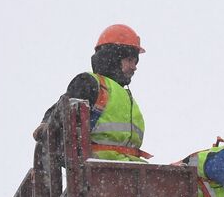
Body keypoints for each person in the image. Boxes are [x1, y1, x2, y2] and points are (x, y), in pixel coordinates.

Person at [42, 24, 149, 161]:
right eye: (129, 60)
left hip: (130, 168)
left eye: (136, 62)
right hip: (99, 167)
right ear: (113, 58)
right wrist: (46, 126)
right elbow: (61, 110)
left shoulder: (128, 99)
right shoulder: (91, 83)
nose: (134, 67)